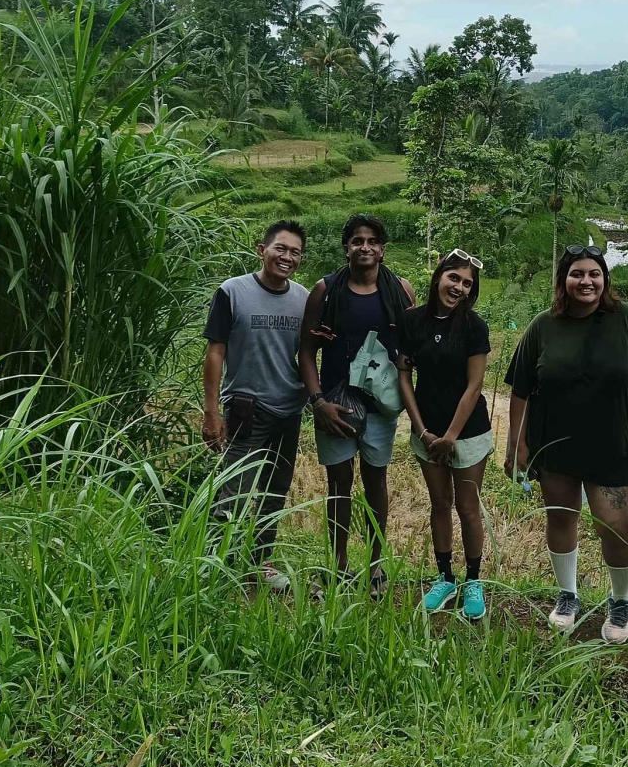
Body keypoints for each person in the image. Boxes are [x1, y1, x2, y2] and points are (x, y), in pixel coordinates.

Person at [504, 245, 628, 644]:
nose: (586, 281)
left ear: (605, 279)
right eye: (577, 274)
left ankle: (620, 601)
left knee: (617, 525)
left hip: (609, 445)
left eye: (594, 273)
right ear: (564, 280)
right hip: (553, 442)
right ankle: (567, 595)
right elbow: (521, 390)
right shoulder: (544, 326)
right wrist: (517, 446)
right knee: (560, 518)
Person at [299, 213, 416, 596]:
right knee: (338, 485)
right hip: (335, 405)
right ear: (346, 247)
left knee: (376, 482)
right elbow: (306, 351)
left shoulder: (400, 290)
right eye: (356, 240)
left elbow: (412, 351)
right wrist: (317, 402)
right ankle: (338, 564)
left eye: (372, 241)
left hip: (381, 406)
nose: (364, 247)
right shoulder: (325, 290)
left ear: (383, 249)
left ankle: (377, 564)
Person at [202, 220, 311, 593]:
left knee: (274, 491)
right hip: (246, 407)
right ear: (261, 249)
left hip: (289, 409)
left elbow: (309, 351)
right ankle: (216, 562)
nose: (287, 257)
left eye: (295, 252)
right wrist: (211, 410)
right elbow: (215, 352)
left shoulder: (304, 298)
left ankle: (260, 562)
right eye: (280, 248)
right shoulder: (232, 292)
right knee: (233, 488)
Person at [397, 250, 492, 620]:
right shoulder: (412, 321)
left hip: (467, 433)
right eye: (454, 278)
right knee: (439, 504)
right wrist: (422, 431)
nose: (459, 287)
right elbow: (404, 376)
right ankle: (444, 577)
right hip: (427, 430)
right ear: (439, 277)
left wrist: (450, 436)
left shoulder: (474, 327)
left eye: (467, 283)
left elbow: (474, 386)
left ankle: (472, 580)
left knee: (468, 508)